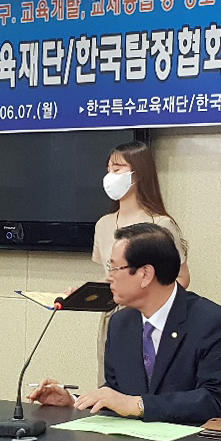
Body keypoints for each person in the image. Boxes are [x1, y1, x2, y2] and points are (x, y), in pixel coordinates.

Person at [29, 223, 221, 425]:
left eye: (115, 268)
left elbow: (219, 402)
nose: (109, 278)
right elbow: (117, 395)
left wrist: (140, 405)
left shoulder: (213, 324)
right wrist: (74, 402)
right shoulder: (121, 323)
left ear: (145, 274)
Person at [93, 140, 189, 381]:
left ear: (138, 174)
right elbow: (112, 277)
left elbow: (182, 277)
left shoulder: (160, 224)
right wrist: (87, 293)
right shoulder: (103, 224)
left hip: (151, 320)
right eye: (108, 170)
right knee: (112, 384)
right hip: (115, 319)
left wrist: (146, 295)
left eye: (117, 170)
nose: (110, 176)